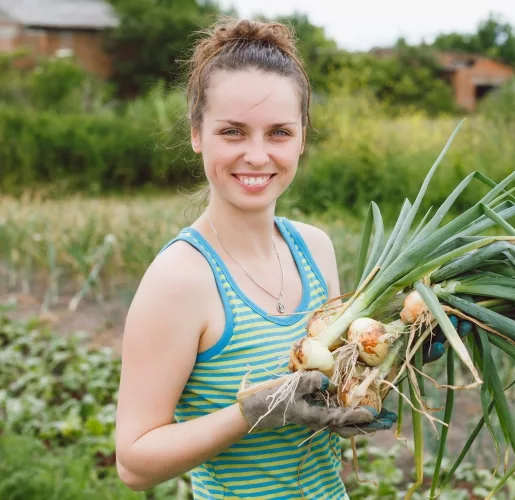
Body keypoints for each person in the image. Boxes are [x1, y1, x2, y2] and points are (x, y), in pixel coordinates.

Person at [114, 17, 397, 499]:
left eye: (279, 133)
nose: (257, 155)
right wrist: (253, 412)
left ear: (302, 137)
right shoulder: (181, 278)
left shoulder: (315, 248)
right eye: (233, 132)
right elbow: (135, 463)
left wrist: (400, 347)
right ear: (197, 134)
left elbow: (330, 383)